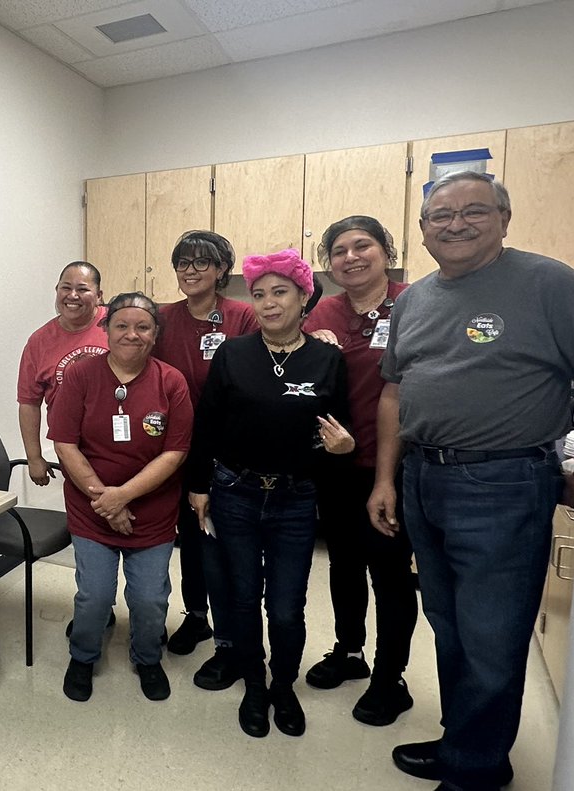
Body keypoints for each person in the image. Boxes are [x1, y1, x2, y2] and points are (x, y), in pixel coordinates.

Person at [368, 171, 574, 791]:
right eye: (439, 215)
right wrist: (385, 479)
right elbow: (395, 391)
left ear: (505, 219)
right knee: (451, 624)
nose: (455, 224)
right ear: (424, 230)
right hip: (423, 477)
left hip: (504, 482)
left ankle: (474, 772)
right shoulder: (413, 299)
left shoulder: (549, 283)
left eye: (473, 211)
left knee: (492, 633)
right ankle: (470, 744)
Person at [186, 249, 354, 738]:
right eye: (258, 294)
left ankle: (284, 684)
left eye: (280, 292)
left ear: (305, 296)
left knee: (285, 606)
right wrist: (199, 485)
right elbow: (207, 426)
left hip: (295, 501)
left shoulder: (327, 358)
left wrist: (343, 449)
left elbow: (336, 432)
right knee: (240, 598)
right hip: (234, 493)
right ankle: (254, 684)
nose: (267, 303)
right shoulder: (233, 354)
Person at [301, 216, 418, 725]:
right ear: (328, 263)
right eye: (339, 250)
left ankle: (390, 680)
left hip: (396, 464)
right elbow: (300, 380)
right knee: (344, 565)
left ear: (385, 250)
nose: (351, 257)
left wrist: (386, 477)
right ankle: (349, 652)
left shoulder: (416, 302)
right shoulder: (321, 311)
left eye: (362, 245)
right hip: (338, 467)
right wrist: (313, 345)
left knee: (390, 573)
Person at [48, 292, 193, 703]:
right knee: (94, 595)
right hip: (91, 510)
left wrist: (123, 498)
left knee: (150, 599)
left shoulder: (171, 382)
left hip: (153, 513)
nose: (132, 334)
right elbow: (65, 445)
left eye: (143, 327)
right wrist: (106, 502)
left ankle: (147, 658)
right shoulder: (80, 375)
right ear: (106, 330)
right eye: (122, 326)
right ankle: (83, 656)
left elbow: (175, 452)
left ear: (155, 334)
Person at [153, 230, 259, 690]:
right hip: (172, 451)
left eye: (202, 262)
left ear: (221, 271)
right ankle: (197, 617)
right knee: (188, 540)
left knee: (221, 544)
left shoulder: (243, 316)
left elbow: (262, 374)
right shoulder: (161, 318)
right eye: (182, 262)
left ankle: (233, 638)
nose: (190, 270)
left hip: (227, 452)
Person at [17, 261, 108, 487]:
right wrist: (34, 457)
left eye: (83, 289)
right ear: (57, 291)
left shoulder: (118, 324)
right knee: (88, 511)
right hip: (71, 448)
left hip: (122, 443)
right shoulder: (39, 342)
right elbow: (29, 403)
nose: (73, 295)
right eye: (66, 288)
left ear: (99, 296)